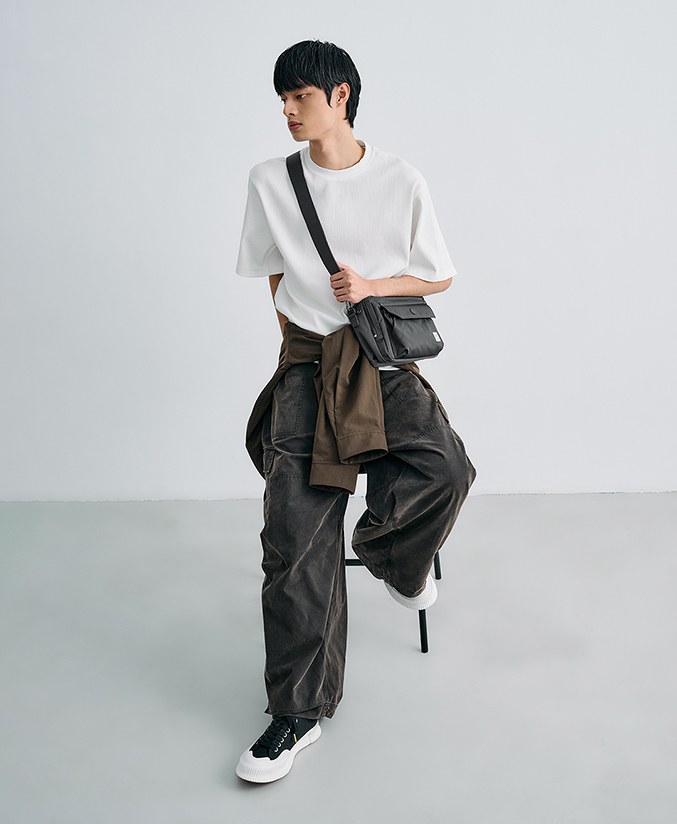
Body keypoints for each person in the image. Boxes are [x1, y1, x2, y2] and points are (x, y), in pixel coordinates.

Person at [233, 39, 477, 784]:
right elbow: (271, 272)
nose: (287, 110)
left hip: (379, 362)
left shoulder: (400, 179)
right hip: (310, 365)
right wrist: (298, 346)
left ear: (340, 96)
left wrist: (371, 286)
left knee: (445, 469)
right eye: (282, 98)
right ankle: (296, 713)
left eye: (299, 96)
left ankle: (394, 559)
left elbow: (437, 276)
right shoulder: (270, 180)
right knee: (293, 540)